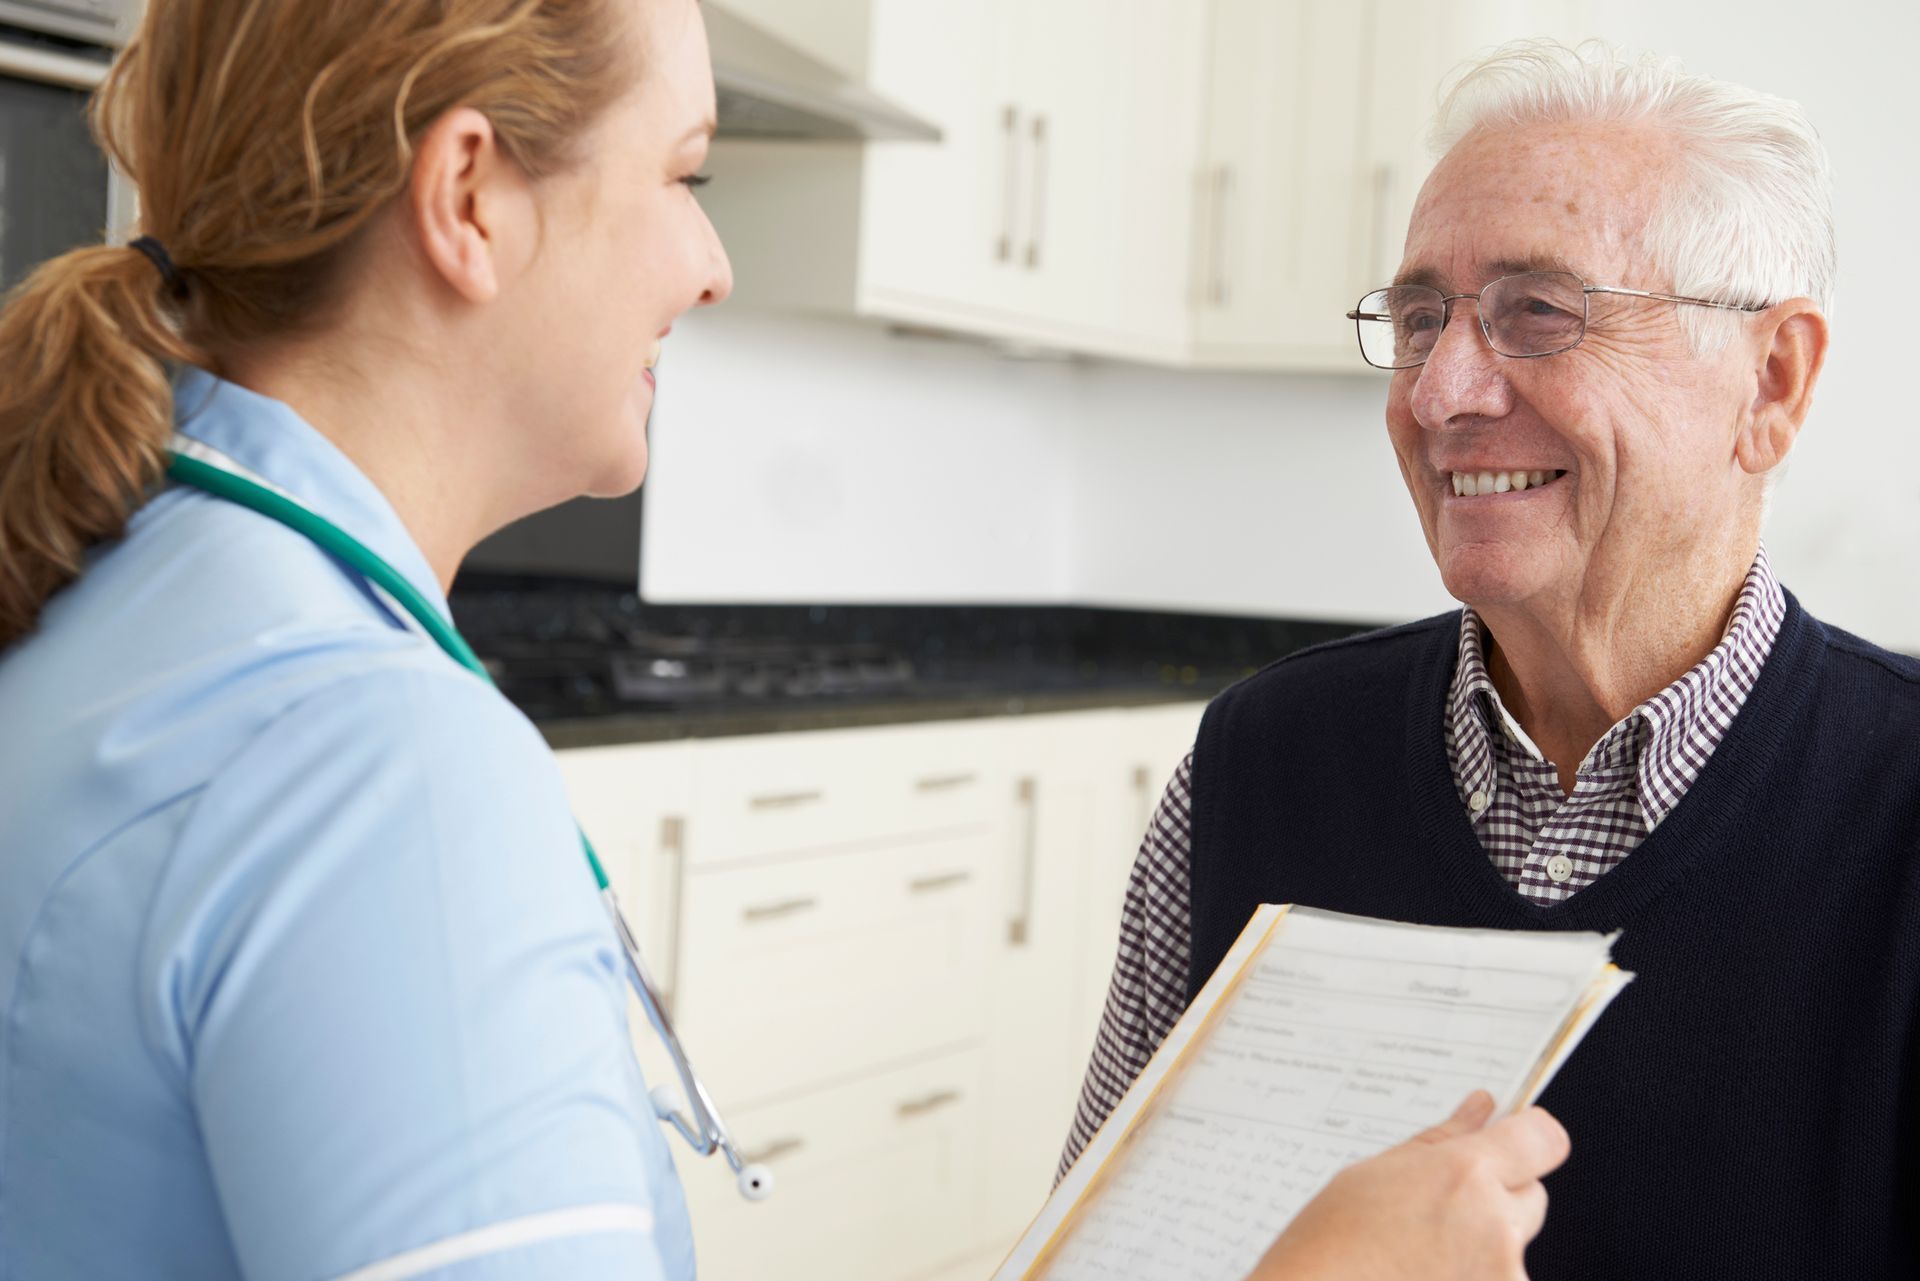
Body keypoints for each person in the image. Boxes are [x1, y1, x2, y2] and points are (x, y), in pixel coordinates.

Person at [0, 2, 1567, 1277]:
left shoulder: (113, 599)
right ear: (469, 195)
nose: (713, 260)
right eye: (684, 173)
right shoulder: (366, 761)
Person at [1062, 37, 1920, 1279]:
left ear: (1769, 385)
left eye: (1539, 311)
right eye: (1420, 318)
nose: (1439, 393)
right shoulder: (1255, 767)